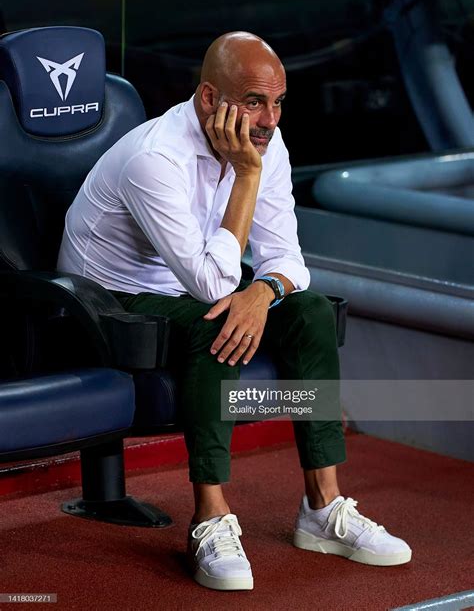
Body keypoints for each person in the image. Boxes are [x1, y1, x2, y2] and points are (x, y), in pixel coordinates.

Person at [57, 31, 411, 591]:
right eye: (253, 101)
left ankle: (323, 507)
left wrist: (264, 292)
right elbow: (210, 284)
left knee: (311, 310)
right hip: (105, 303)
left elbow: (289, 259)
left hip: (191, 283)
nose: (269, 120)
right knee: (218, 319)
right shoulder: (156, 158)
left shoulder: (266, 141)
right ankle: (210, 518)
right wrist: (247, 176)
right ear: (208, 99)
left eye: (278, 102)